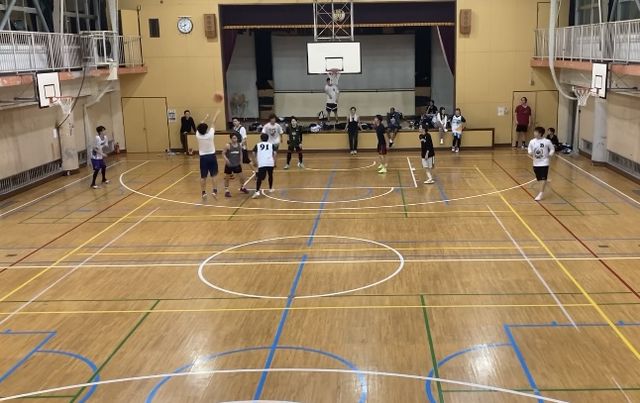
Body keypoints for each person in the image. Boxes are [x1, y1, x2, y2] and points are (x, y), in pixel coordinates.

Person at [196, 113, 220, 199]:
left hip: (203, 158)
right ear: (206, 129)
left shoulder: (198, 135)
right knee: (214, 175)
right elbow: (213, 122)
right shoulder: (210, 135)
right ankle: (215, 191)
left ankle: (203, 193)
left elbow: (200, 124)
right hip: (212, 156)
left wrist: (205, 117)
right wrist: (216, 114)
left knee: (203, 176)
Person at [528, 126, 555, 201]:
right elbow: (529, 149)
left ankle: (541, 193)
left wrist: (550, 154)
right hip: (536, 163)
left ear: (540, 133)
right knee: (539, 179)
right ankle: (545, 181)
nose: (534, 133)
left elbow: (552, 149)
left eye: (536, 132)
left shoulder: (547, 141)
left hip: (544, 163)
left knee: (543, 178)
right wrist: (530, 152)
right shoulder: (532, 141)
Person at [222, 133, 249, 197]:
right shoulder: (228, 145)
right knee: (227, 178)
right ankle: (226, 191)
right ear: (231, 139)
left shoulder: (239, 145)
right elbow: (223, 153)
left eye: (236, 138)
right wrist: (226, 160)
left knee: (242, 177)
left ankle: (242, 187)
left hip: (237, 164)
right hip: (229, 164)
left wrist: (241, 161)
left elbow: (241, 153)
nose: (235, 139)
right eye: (233, 138)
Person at [251, 133, 275, 198]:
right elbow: (275, 153)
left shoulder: (258, 145)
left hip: (262, 163)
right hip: (270, 162)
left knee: (259, 177)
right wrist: (274, 161)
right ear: (268, 138)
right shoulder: (271, 145)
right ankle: (270, 188)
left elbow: (253, 153)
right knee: (270, 175)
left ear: (261, 138)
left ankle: (257, 191)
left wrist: (254, 161)